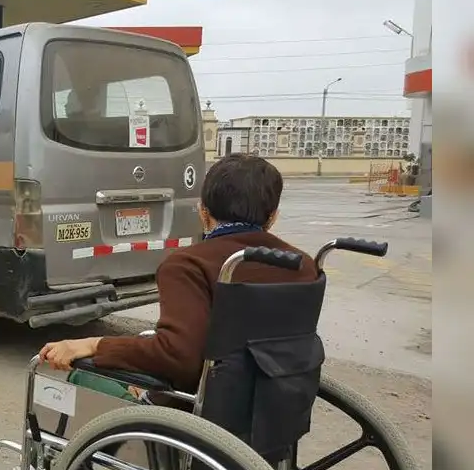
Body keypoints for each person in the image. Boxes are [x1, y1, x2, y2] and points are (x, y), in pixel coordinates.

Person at [39, 154, 318, 394]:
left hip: (198, 413)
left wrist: (93, 344)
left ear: (203, 213)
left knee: (82, 376)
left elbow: (178, 357)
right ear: (272, 218)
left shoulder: (188, 265)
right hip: (278, 408)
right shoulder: (302, 265)